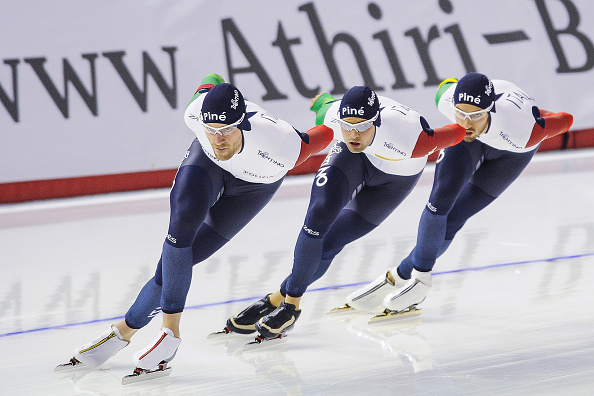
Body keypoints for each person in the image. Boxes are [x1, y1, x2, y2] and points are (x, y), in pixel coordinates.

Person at [57, 73, 334, 376]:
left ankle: (124, 330)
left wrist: (325, 105)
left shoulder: (281, 144)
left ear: (242, 123)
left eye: (226, 130)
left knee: (181, 262)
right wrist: (213, 80)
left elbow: (327, 132)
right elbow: (206, 85)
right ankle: (168, 334)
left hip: (254, 186)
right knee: (180, 230)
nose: (218, 139)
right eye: (211, 129)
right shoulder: (195, 112)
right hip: (207, 166)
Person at [219, 85, 467, 340]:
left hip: (395, 178)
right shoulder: (334, 118)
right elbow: (325, 104)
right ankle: (290, 307)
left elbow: (460, 130)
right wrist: (320, 101)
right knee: (318, 216)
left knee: (332, 242)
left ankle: (276, 298)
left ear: (377, 121)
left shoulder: (413, 138)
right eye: (347, 126)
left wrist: (471, 124)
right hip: (351, 160)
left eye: (362, 127)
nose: (353, 133)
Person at [344, 72, 574, 315]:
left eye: (475, 115)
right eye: (460, 114)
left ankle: (399, 274)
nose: (466, 123)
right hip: (468, 144)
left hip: (510, 153)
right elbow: (446, 87)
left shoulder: (524, 130)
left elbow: (566, 119)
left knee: (454, 218)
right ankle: (418, 279)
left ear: (491, 109)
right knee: (439, 201)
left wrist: (536, 115)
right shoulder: (446, 100)